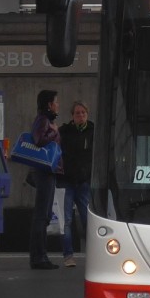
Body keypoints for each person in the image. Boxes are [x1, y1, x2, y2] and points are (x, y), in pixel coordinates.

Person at [28, 89, 61, 270]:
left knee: (45, 215)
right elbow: (38, 139)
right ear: (49, 104)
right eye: (55, 101)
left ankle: (41, 255)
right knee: (41, 216)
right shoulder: (43, 120)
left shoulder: (47, 120)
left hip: (49, 171)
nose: (58, 105)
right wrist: (54, 132)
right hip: (44, 171)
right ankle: (38, 257)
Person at [58, 100, 93, 267]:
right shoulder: (64, 132)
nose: (81, 115)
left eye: (83, 113)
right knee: (67, 220)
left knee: (88, 220)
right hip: (67, 181)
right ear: (72, 116)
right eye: (77, 113)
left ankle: (92, 254)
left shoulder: (93, 131)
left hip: (84, 182)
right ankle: (68, 255)